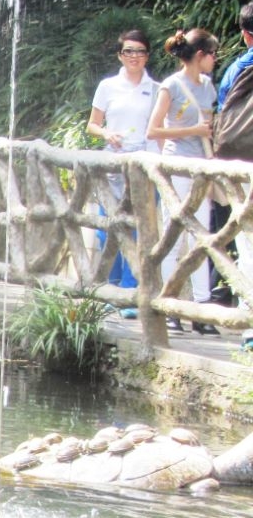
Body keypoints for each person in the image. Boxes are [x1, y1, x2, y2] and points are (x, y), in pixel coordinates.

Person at [147, 28, 220, 334]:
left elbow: (208, 126)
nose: (216, 60)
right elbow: (154, 131)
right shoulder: (171, 86)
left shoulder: (208, 87)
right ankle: (170, 303)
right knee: (173, 236)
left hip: (201, 169)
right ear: (200, 55)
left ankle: (201, 309)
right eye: (213, 54)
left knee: (202, 237)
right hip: (177, 168)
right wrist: (193, 132)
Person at [87, 29, 160, 303]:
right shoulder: (107, 86)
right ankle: (110, 288)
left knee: (140, 227)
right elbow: (92, 125)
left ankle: (131, 291)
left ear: (147, 56)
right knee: (110, 224)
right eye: (129, 51)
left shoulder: (155, 89)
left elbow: (158, 129)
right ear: (120, 55)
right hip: (113, 163)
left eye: (140, 51)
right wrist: (107, 134)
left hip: (142, 164)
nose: (134, 56)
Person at [215, 2, 253, 343]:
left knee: (247, 241)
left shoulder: (237, 69)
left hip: (242, 167)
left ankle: (249, 326)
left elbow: (222, 113)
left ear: (244, 35)